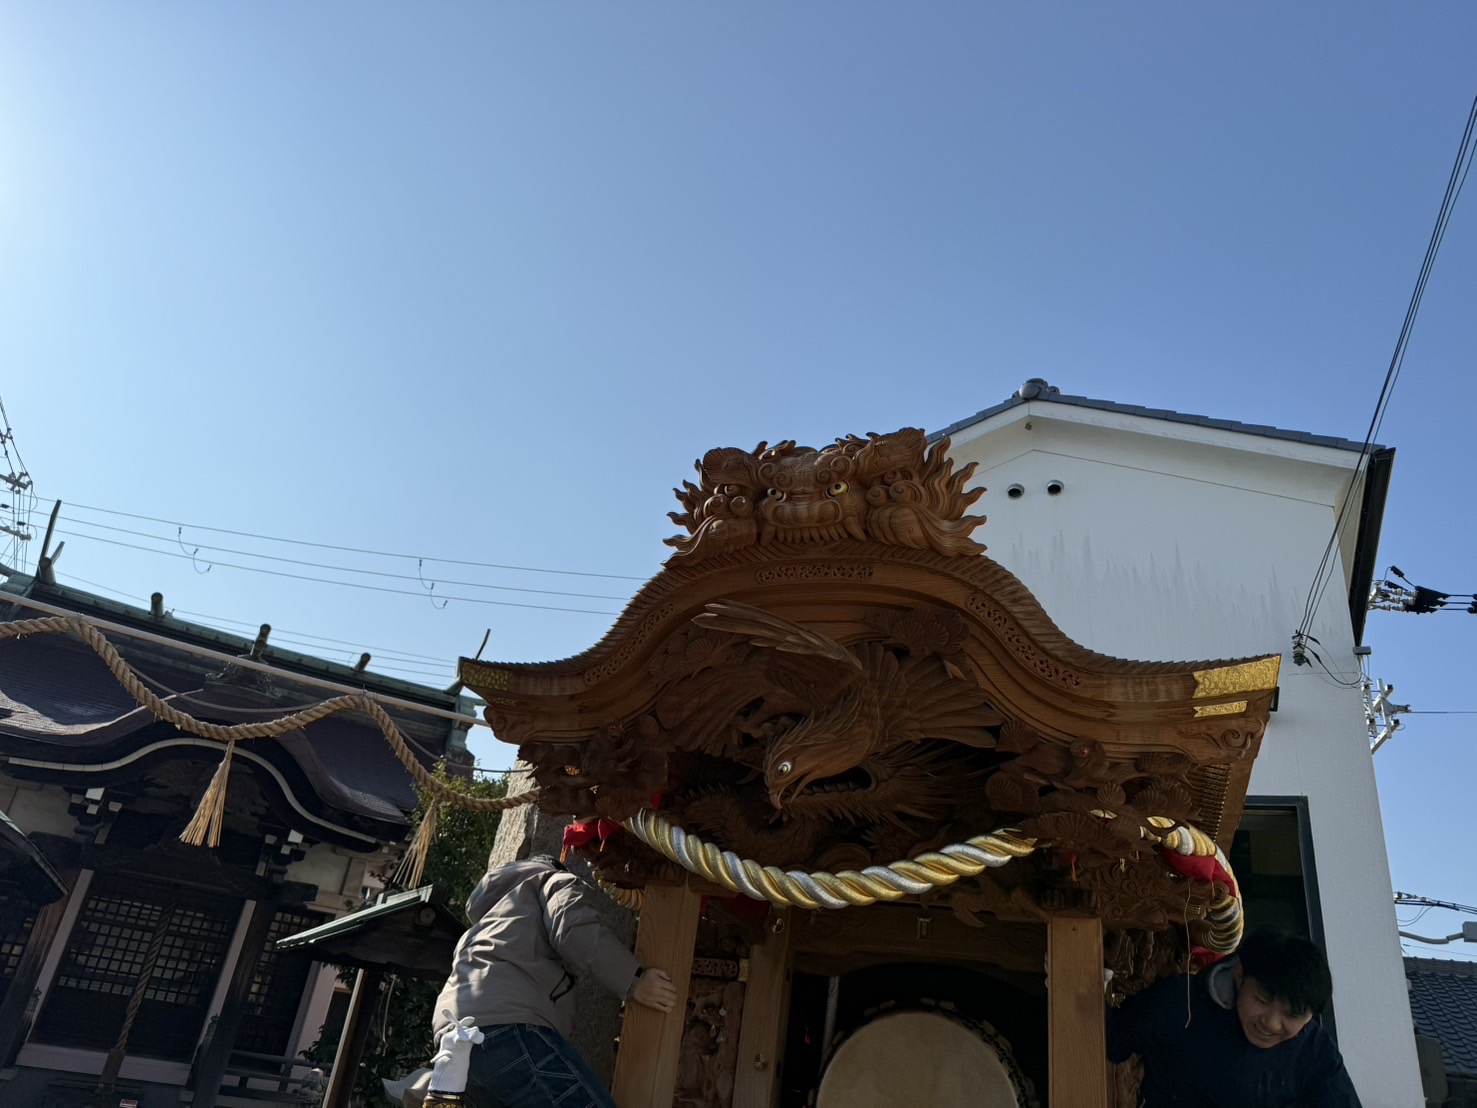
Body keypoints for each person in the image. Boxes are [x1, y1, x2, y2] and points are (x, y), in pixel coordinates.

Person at [431, 853, 679, 1108]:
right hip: (506, 1027)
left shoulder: (487, 921)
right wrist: (634, 980)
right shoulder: (552, 880)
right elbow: (573, 929)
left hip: (452, 1043)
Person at [1106, 929, 1361, 1107]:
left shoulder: (1314, 1052)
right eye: (1262, 1000)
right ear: (1240, 975)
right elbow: (1110, 1039)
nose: (1272, 1023)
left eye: (1293, 1014)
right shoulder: (1180, 1003)